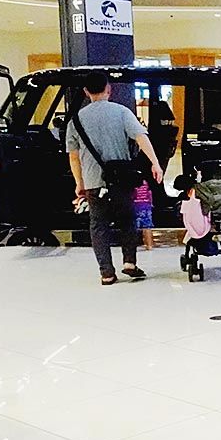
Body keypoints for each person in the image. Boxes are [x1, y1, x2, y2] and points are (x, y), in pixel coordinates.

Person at [67, 71, 164, 286]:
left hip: (93, 182)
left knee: (98, 226)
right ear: (108, 89)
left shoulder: (75, 121)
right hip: (121, 179)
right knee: (127, 219)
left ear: (86, 92)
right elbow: (141, 137)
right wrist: (155, 163)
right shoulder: (122, 112)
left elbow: (73, 157)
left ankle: (107, 273)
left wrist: (79, 184)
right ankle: (129, 261)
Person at [133, 179, 155, 250]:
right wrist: (151, 203)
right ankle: (149, 245)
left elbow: (133, 194)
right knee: (147, 227)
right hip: (146, 205)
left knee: (134, 227)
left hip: (136, 205)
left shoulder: (134, 183)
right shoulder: (146, 183)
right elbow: (150, 193)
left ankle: (134, 245)